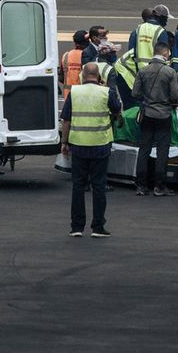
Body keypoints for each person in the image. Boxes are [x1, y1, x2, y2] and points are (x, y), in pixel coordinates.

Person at [61, 62, 122, 237]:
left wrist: (64, 143)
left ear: (82, 75)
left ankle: (77, 227)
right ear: (99, 77)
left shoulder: (75, 92)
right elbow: (117, 109)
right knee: (99, 186)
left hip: (78, 145)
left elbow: (66, 120)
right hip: (100, 145)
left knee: (78, 186)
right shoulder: (105, 92)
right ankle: (98, 227)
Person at [131, 36, 178, 196]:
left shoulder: (143, 70)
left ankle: (141, 185)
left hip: (147, 114)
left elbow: (135, 93)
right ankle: (159, 186)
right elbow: (176, 96)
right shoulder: (169, 71)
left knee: (144, 149)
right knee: (162, 150)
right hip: (163, 114)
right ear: (165, 53)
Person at [123, 4, 175, 103]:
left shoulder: (138, 29)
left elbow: (131, 51)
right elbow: (165, 54)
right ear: (161, 18)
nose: (166, 22)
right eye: (165, 19)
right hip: (156, 71)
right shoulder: (161, 31)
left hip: (139, 71)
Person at [61, 29, 89, 105]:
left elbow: (61, 78)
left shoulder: (66, 56)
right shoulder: (88, 56)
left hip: (68, 97)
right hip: (84, 97)